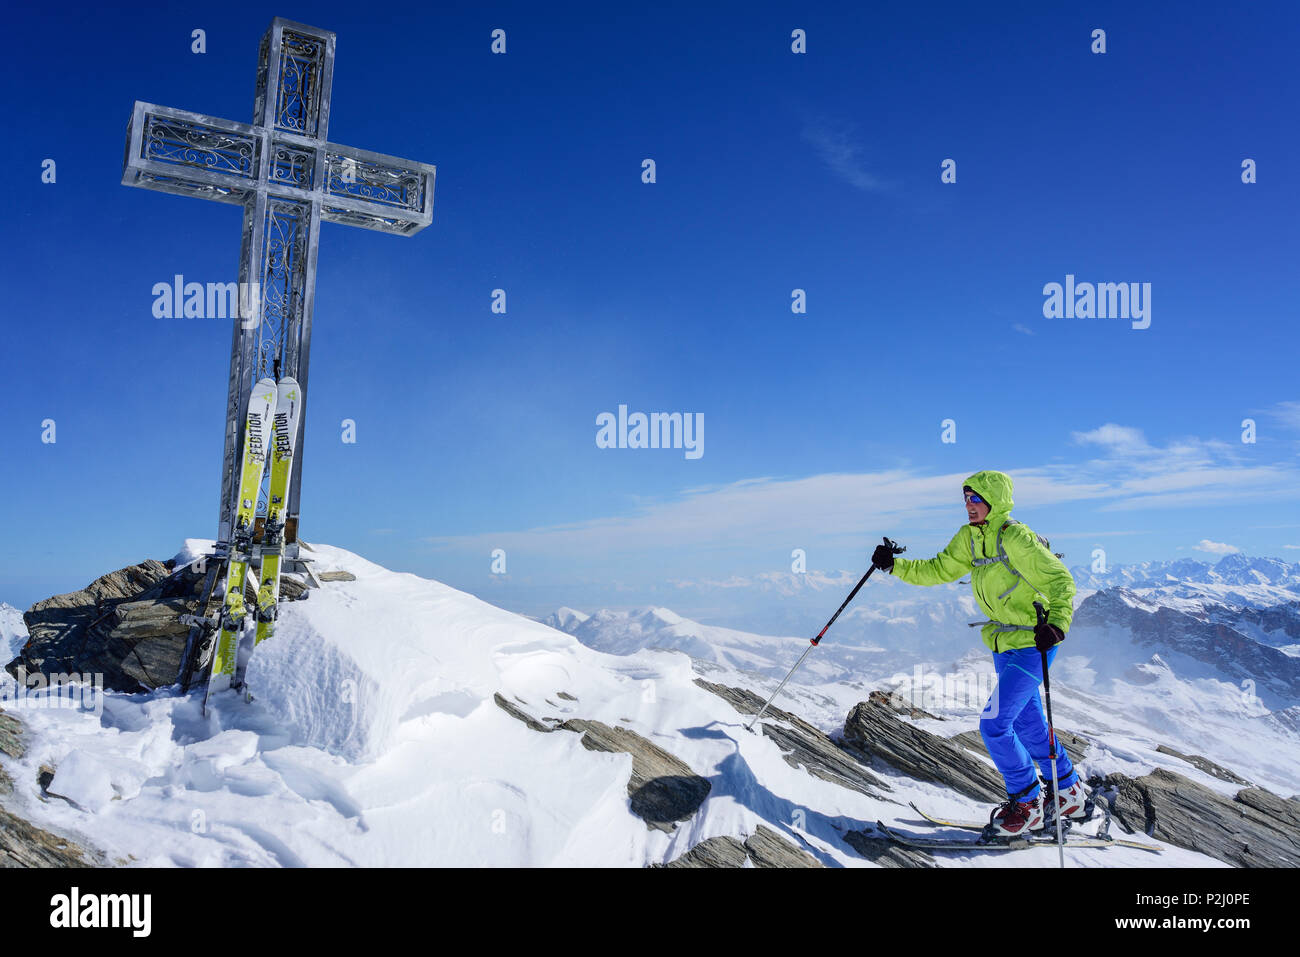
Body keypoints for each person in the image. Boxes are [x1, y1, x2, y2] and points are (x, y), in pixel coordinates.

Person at [871, 469, 1087, 836]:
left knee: (994, 723)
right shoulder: (968, 539)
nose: (969, 506)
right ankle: (1067, 792)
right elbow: (939, 569)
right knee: (1027, 722)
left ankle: (1028, 802)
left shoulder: (1015, 536)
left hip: (1035, 642)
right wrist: (895, 565)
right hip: (1003, 643)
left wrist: (1058, 624)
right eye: (966, 499)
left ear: (994, 501)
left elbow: (1061, 580)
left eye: (976, 499)